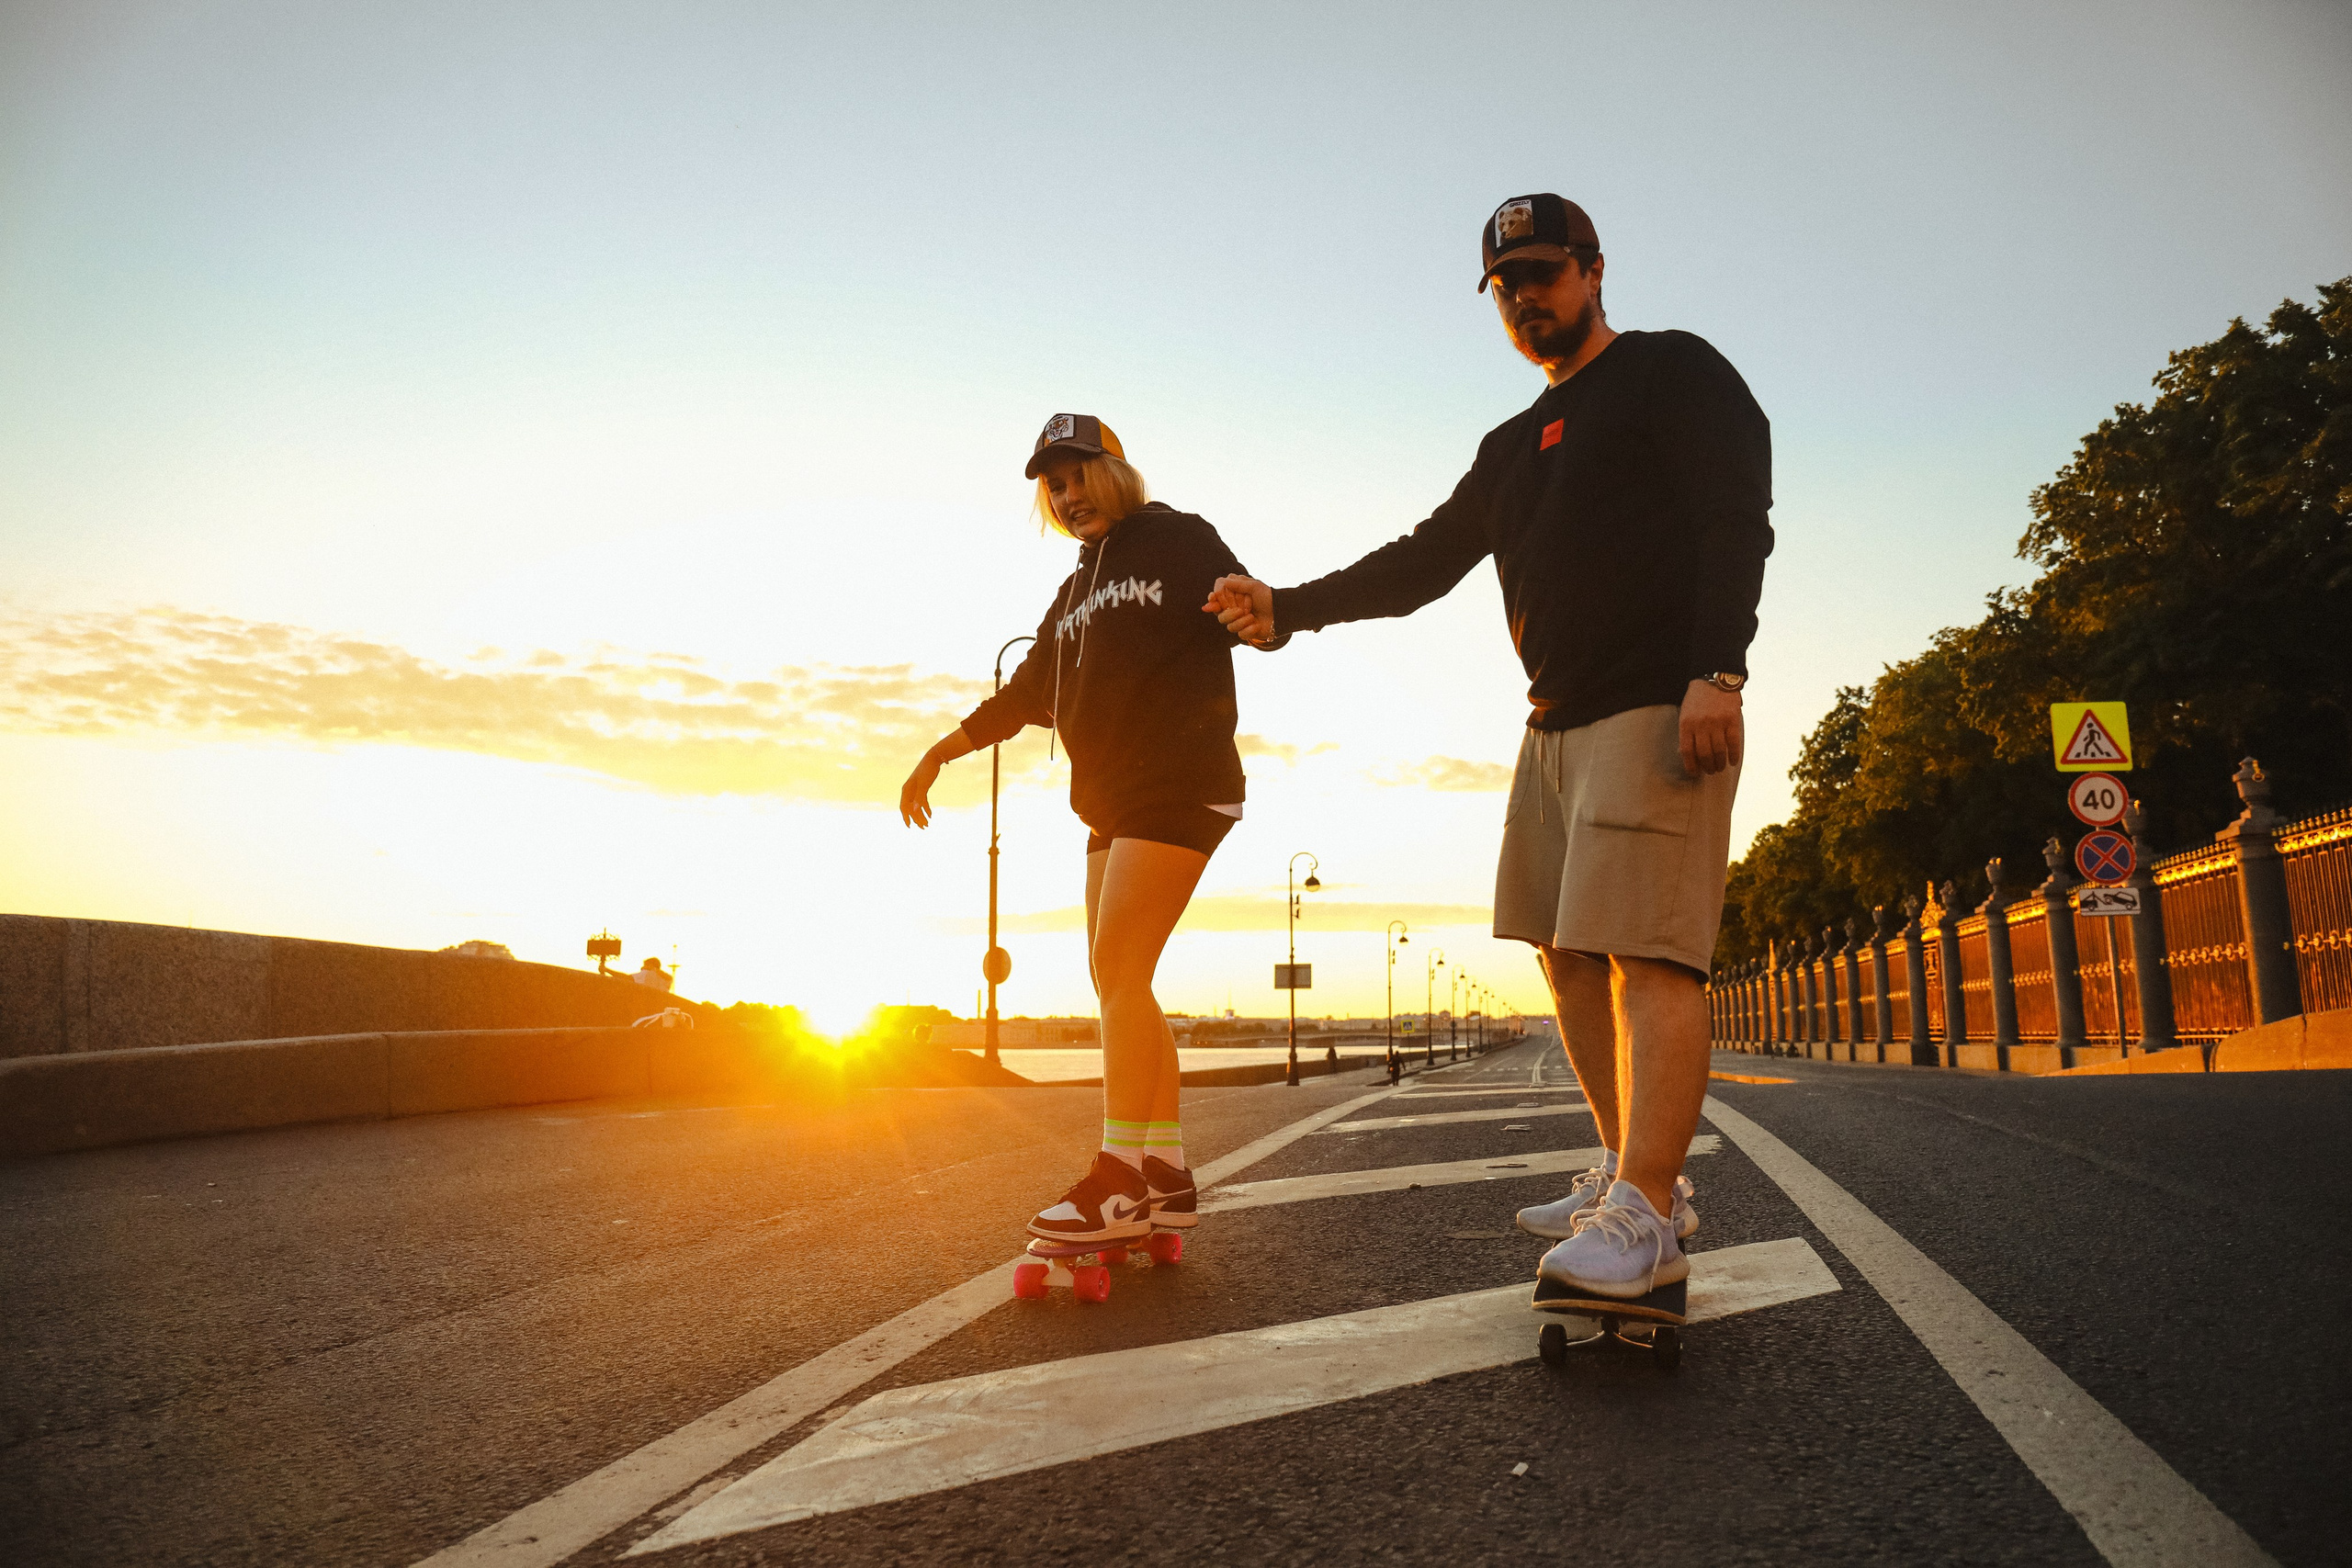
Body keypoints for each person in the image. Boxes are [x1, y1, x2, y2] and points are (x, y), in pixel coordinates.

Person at [1207, 194, 1770, 1303]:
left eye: (1544, 274)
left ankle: (1651, 1216)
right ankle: (1624, 1175)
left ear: (1594, 271)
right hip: (1550, 721)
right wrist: (1289, 608)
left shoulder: (1669, 372)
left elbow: (1732, 510)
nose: (1525, 297)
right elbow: (1425, 561)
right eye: (1505, 285)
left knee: (1652, 955)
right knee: (1565, 955)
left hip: (1658, 704)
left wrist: (1720, 667)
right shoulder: (1510, 446)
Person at [902, 413, 1283, 1247]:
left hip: (1181, 785)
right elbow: (1026, 692)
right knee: (1123, 980)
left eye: (1080, 476)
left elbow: (1247, 606)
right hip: (1110, 803)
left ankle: (1118, 1177)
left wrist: (1255, 618)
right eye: (1055, 486)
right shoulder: (1073, 593)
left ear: (1116, 471)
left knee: (1117, 966)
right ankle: (1167, 1175)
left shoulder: (1175, 536)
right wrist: (940, 751)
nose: (1069, 497)